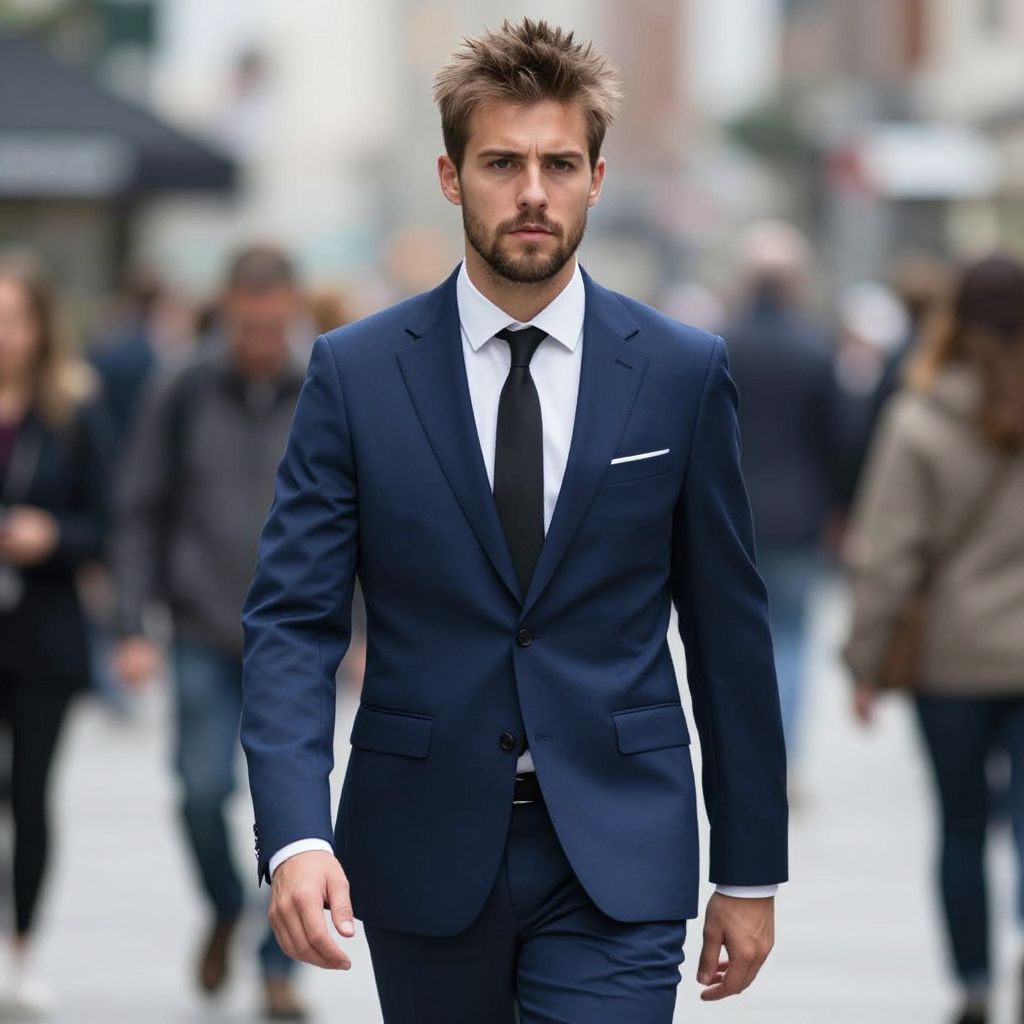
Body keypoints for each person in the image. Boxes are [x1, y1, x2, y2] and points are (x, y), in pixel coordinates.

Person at [241, 19, 788, 1024]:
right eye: (502, 163)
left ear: (595, 177)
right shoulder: (357, 375)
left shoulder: (678, 371)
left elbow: (728, 631)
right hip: (420, 848)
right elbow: (294, 621)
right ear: (451, 177)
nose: (532, 191)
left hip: (619, 852)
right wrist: (296, 835)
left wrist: (749, 866)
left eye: (558, 163)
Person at [111, 245, 309, 1021]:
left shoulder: (322, 385)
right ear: (226, 313)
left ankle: (276, 966)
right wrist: (131, 624)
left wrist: (363, 627)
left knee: (290, 811)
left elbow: (365, 515)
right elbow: (139, 508)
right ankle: (227, 904)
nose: (261, 341)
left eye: (274, 325)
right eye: (247, 325)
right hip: (200, 627)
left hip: (295, 639)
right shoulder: (184, 390)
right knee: (200, 791)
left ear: (292, 313)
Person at [843, 253, 1024, 1024]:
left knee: (959, 826)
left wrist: (866, 661)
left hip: (950, 659)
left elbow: (888, 558)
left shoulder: (918, 419)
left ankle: (975, 980)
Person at [0, 251, 111, 1015]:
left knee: (31, 793)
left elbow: (106, 524)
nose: (4, 334)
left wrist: (53, 536)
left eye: (16, 318)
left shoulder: (73, 413)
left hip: (41, 633)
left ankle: (25, 944)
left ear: (42, 328)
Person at [722, 221, 839, 771]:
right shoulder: (815, 349)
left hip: (733, 516)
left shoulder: (721, 345)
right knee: (792, 638)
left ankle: (751, 754)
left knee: (742, 642)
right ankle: (783, 756)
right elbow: (838, 439)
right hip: (800, 515)